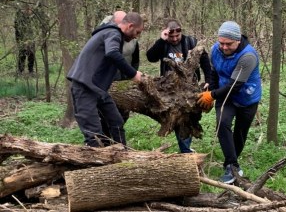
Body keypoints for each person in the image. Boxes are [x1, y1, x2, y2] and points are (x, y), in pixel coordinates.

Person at [197, 21, 262, 184]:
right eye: (221, 43)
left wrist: (212, 94)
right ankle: (233, 166)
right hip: (225, 96)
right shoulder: (215, 50)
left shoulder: (248, 56)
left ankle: (230, 164)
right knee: (222, 122)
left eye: (229, 44)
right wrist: (209, 91)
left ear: (238, 40)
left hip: (247, 98)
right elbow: (214, 73)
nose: (224, 47)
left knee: (240, 133)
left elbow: (234, 86)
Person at [67, 12, 144, 147]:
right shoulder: (112, 33)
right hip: (84, 87)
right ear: (130, 26)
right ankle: (96, 164)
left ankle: (121, 155)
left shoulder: (113, 34)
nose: (136, 36)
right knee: (94, 136)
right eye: (137, 32)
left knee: (116, 122)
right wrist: (133, 74)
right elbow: (112, 53)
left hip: (97, 89)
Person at [146, 19, 211, 153]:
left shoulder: (191, 42)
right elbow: (151, 57)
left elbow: (205, 61)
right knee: (177, 118)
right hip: (169, 89)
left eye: (177, 35)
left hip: (190, 87)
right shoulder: (163, 44)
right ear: (166, 33)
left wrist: (208, 80)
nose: (175, 39)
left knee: (188, 118)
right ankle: (185, 149)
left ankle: (185, 149)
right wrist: (161, 40)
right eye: (171, 36)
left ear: (181, 31)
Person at [97, 11, 140, 145]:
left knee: (121, 117)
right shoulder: (106, 34)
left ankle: (117, 147)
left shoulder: (132, 41)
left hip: (123, 83)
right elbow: (110, 54)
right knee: (105, 117)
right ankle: (104, 143)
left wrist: (130, 75)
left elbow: (135, 61)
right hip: (105, 83)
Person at [14, 5, 36, 74]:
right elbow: (17, 30)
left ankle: (30, 71)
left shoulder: (29, 18)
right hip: (22, 39)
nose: (30, 12)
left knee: (31, 55)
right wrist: (21, 41)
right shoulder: (20, 18)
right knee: (22, 55)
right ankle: (20, 71)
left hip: (30, 39)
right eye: (29, 10)